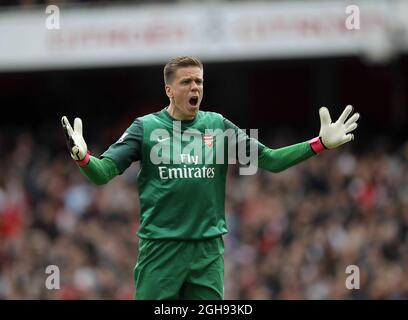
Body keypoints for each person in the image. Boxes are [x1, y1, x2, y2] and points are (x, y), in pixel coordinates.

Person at [61, 56, 360, 300]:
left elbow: (270, 160)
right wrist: (84, 158)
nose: (195, 88)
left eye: (199, 81)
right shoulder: (146, 127)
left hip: (207, 251)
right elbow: (103, 174)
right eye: (187, 82)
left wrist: (318, 144)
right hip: (161, 250)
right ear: (169, 90)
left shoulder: (217, 125)